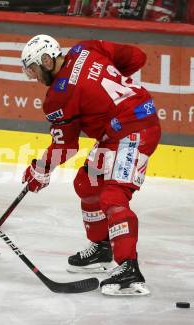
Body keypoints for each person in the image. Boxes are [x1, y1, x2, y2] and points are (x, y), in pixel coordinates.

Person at [20, 35, 161, 296]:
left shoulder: (58, 97)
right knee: (87, 183)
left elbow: (66, 146)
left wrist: (39, 170)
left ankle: (129, 269)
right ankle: (101, 247)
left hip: (135, 131)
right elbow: (136, 57)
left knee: (113, 196)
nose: (34, 78)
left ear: (47, 60)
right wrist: (108, 92)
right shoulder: (87, 47)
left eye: (34, 70)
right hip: (117, 132)